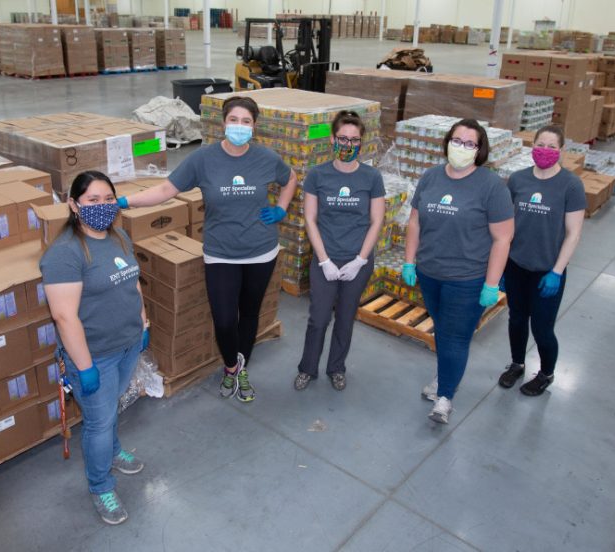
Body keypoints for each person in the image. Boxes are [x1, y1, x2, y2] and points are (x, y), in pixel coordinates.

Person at [118, 96, 298, 403]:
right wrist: (124, 201)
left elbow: (290, 178)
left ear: (254, 126)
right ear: (223, 122)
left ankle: (240, 368)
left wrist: (281, 208)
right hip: (221, 253)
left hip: (260, 250)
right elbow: (165, 190)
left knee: (250, 314)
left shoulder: (266, 158)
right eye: (234, 120)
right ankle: (231, 366)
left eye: (246, 121)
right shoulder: (203, 160)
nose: (239, 126)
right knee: (225, 319)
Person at [40, 170, 150, 525]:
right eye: (92, 200)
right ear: (74, 205)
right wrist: (84, 366)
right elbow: (64, 316)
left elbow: (133, 283)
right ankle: (101, 484)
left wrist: (143, 322)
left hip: (128, 343)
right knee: (99, 422)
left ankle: (114, 451)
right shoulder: (64, 254)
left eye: (107, 200)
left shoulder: (118, 236)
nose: (101, 207)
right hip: (95, 355)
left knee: (110, 408)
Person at [404, 119, 515, 424]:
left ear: (480, 150)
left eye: (469, 143)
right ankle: (444, 378)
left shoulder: (491, 186)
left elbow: (503, 238)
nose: (461, 147)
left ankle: (445, 397)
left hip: (467, 278)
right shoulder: (430, 177)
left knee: (455, 337)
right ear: (446, 142)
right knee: (442, 330)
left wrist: (492, 284)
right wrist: (409, 260)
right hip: (430, 272)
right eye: (456, 140)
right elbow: (415, 221)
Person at [294, 111, 386, 391]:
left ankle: (337, 367)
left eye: (354, 140)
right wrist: (323, 261)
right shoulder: (318, 174)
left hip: (357, 260)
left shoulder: (371, 177)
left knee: (346, 318)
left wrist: (360, 259)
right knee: (318, 318)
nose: (347, 144)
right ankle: (307, 368)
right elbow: (310, 218)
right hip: (325, 259)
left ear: (362, 142)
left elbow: (377, 220)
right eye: (342, 138)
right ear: (332, 139)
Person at [498, 125, 585, 396]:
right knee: (516, 319)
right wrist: (501, 264)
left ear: (561, 151)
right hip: (516, 265)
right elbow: (507, 225)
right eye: (541, 144)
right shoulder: (518, 180)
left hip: (547, 270)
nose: (545, 150)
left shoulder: (571, 185)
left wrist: (557, 271)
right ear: (532, 145)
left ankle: (546, 373)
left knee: (542, 327)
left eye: (551, 146)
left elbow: (573, 233)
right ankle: (516, 364)